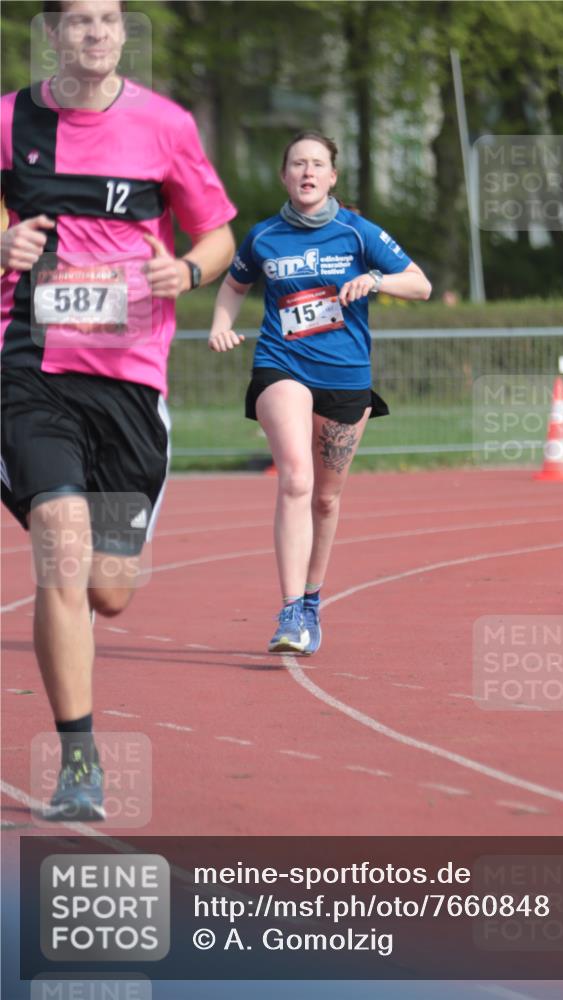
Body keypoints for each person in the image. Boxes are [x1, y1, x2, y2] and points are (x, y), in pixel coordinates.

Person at [0, 0, 237, 820]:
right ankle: (80, 766)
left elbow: (217, 235)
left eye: (109, 19)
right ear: (52, 34)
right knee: (62, 548)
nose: (96, 33)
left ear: (124, 32)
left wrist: (191, 272)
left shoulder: (165, 126)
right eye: (79, 21)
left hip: (130, 381)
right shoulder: (9, 122)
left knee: (109, 590)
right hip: (30, 368)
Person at [208, 131, 431, 655]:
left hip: (345, 377)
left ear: (332, 176)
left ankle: (311, 600)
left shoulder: (357, 232)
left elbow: (420, 284)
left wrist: (375, 280)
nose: (307, 172)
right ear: (284, 175)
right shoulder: (264, 237)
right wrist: (221, 323)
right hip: (281, 365)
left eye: (317, 164)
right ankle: (290, 613)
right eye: (297, 164)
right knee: (296, 479)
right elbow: (234, 285)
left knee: (326, 499)